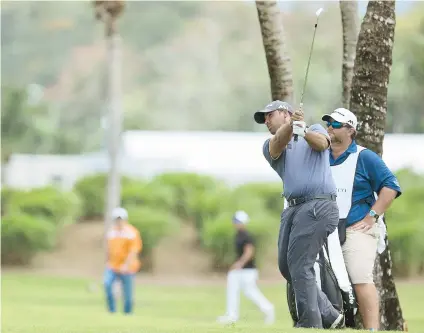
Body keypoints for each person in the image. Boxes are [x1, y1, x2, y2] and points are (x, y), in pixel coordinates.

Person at [253, 100, 344, 329]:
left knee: (300, 265)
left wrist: (302, 129)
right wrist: (291, 126)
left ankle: (309, 323)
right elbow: (277, 144)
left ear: (284, 113)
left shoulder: (314, 130)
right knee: (286, 266)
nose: (265, 121)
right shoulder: (271, 144)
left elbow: (322, 145)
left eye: (268, 115)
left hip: (318, 205)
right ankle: (330, 315)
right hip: (292, 209)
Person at [322, 108, 402, 330]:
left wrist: (372, 216)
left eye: (336, 124)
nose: (330, 127)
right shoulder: (321, 154)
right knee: (326, 282)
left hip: (356, 228)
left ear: (350, 130)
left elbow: (391, 187)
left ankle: (371, 329)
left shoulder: (364, 156)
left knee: (360, 280)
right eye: (329, 123)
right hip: (326, 230)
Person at [217, 211, 275, 325]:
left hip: (247, 270)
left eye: (237, 221)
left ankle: (267, 308)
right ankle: (232, 315)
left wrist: (239, 263)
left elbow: (249, 252)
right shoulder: (239, 234)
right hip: (242, 271)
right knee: (235, 288)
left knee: (250, 292)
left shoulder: (246, 236)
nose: (234, 223)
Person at [104, 207, 142, 314]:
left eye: (121, 219)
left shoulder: (132, 232)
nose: (119, 221)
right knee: (107, 284)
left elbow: (133, 251)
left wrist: (126, 265)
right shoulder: (111, 232)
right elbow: (109, 249)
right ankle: (112, 311)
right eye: (117, 219)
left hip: (128, 268)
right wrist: (107, 262)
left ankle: (127, 314)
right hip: (113, 266)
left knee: (128, 295)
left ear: (125, 219)